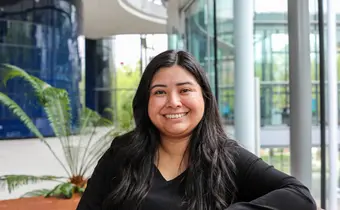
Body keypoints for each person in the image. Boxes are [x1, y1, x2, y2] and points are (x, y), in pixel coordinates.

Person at [76, 50, 317, 210]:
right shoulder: (121, 152)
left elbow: (300, 197)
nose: (173, 102)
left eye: (185, 90)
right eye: (160, 92)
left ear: (204, 98)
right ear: (146, 101)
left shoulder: (228, 157)